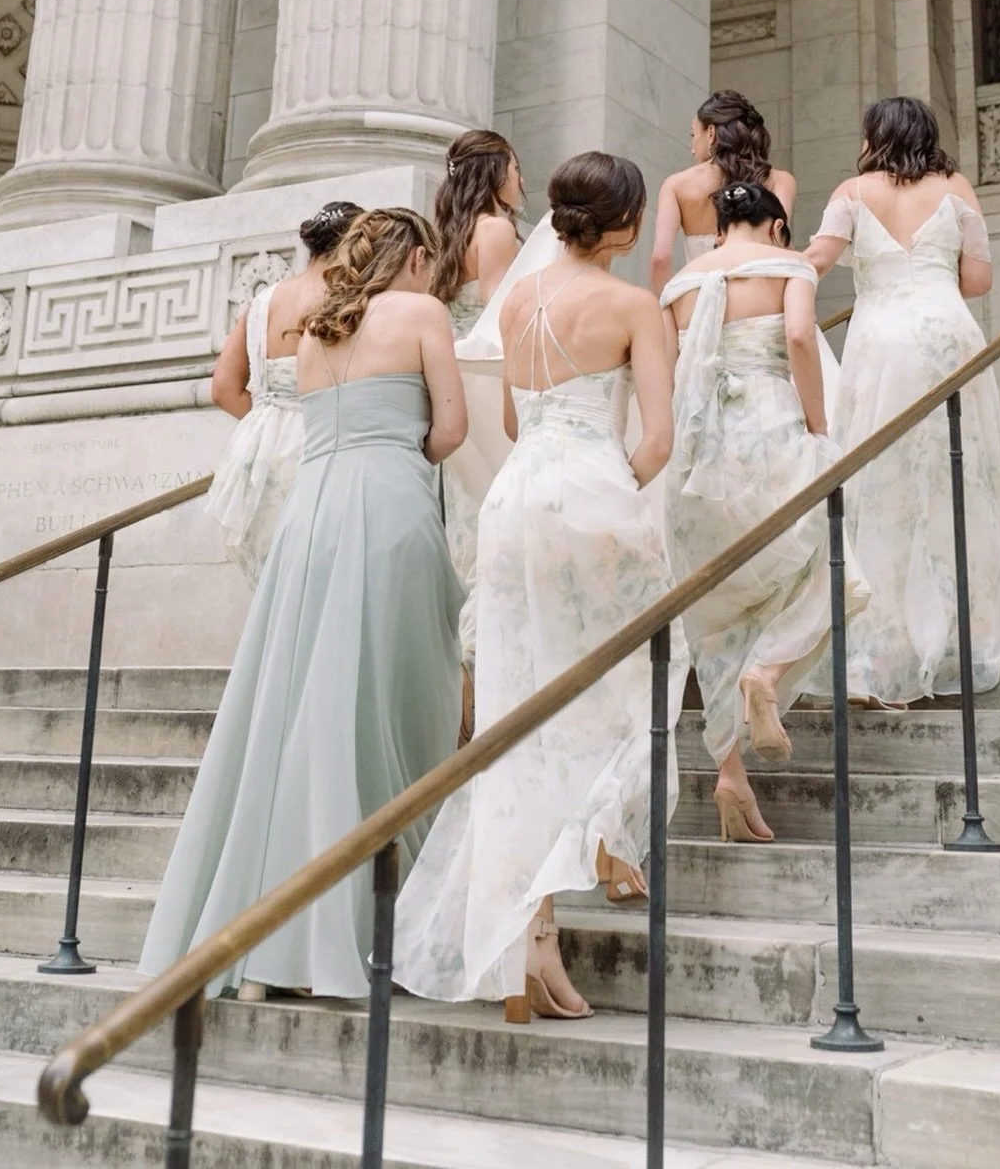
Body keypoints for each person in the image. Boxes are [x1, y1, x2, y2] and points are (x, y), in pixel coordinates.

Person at [140, 209, 467, 1000]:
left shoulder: (317, 329)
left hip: (308, 518)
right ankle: (368, 928)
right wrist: (398, 448)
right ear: (417, 258)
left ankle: (264, 942)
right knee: (392, 705)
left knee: (291, 714)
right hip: (389, 505)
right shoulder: (422, 313)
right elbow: (451, 431)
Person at [395, 152, 684, 1023]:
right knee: (632, 694)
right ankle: (595, 842)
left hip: (515, 504)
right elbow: (660, 438)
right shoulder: (635, 305)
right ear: (626, 221)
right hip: (591, 496)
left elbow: (516, 420)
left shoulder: (516, 301)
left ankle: (534, 934)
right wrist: (615, 498)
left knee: (519, 712)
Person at [661, 182, 869, 842]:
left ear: (719, 227)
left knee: (712, 615)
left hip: (696, 465)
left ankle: (730, 776)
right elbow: (803, 339)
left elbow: (669, 376)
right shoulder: (789, 267)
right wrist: (818, 426)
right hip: (771, 438)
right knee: (835, 567)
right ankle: (768, 671)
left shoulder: (680, 285)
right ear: (778, 227)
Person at [804, 97, 1000, 707]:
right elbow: (979, 280)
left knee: (879, 484)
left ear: (875, 135)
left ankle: (881, 651)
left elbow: (816, 263)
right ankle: (957, 637)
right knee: (958, 481)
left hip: (882, 343)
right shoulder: (956, 186)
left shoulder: (853, 190)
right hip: (949, 337)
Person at [205, 201, 362, 583]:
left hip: (260, 447)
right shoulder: (346, 299)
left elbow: (224, 388)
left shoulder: (263, 301)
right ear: (352, 244)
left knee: (273, 580)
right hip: (319, 444)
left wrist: (271, 421)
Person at [431, 130, 524, 737]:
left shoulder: (444, 237)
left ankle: (459, 688)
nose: (523, 178)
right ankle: (481, 683)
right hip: (485, 393)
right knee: (489, 534)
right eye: (515, 168)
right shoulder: (496, 232)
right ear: (495, 173)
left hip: (447, 397)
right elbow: (501, 321)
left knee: (463, 533)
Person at [650, 90, 797, 294]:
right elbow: (780, 243)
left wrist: (666, 314)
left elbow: (660, 259)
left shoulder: (676, 185)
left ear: (711, 134)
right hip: (759, 303)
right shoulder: (780, 180)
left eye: (694, 135)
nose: (692, 148)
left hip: (699, 304)